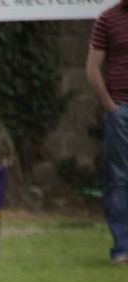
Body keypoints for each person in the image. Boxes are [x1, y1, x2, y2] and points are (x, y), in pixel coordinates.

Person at [87, 0, 128, 266]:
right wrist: (110, 106)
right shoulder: (108, 19)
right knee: (119, 179)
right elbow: (92, 67)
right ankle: (123, 249)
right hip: (121, 112)